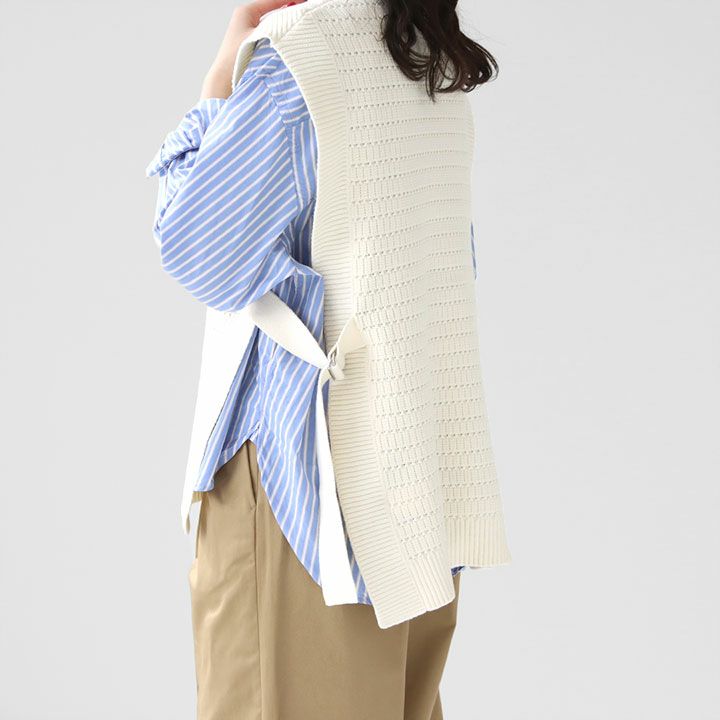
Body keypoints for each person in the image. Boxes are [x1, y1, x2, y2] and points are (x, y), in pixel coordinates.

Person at [145, 0, 512, 717]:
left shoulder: (298, 63)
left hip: (305, 493)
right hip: (409, 497)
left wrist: (220, 80)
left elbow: (198, 250)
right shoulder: (427, 63)